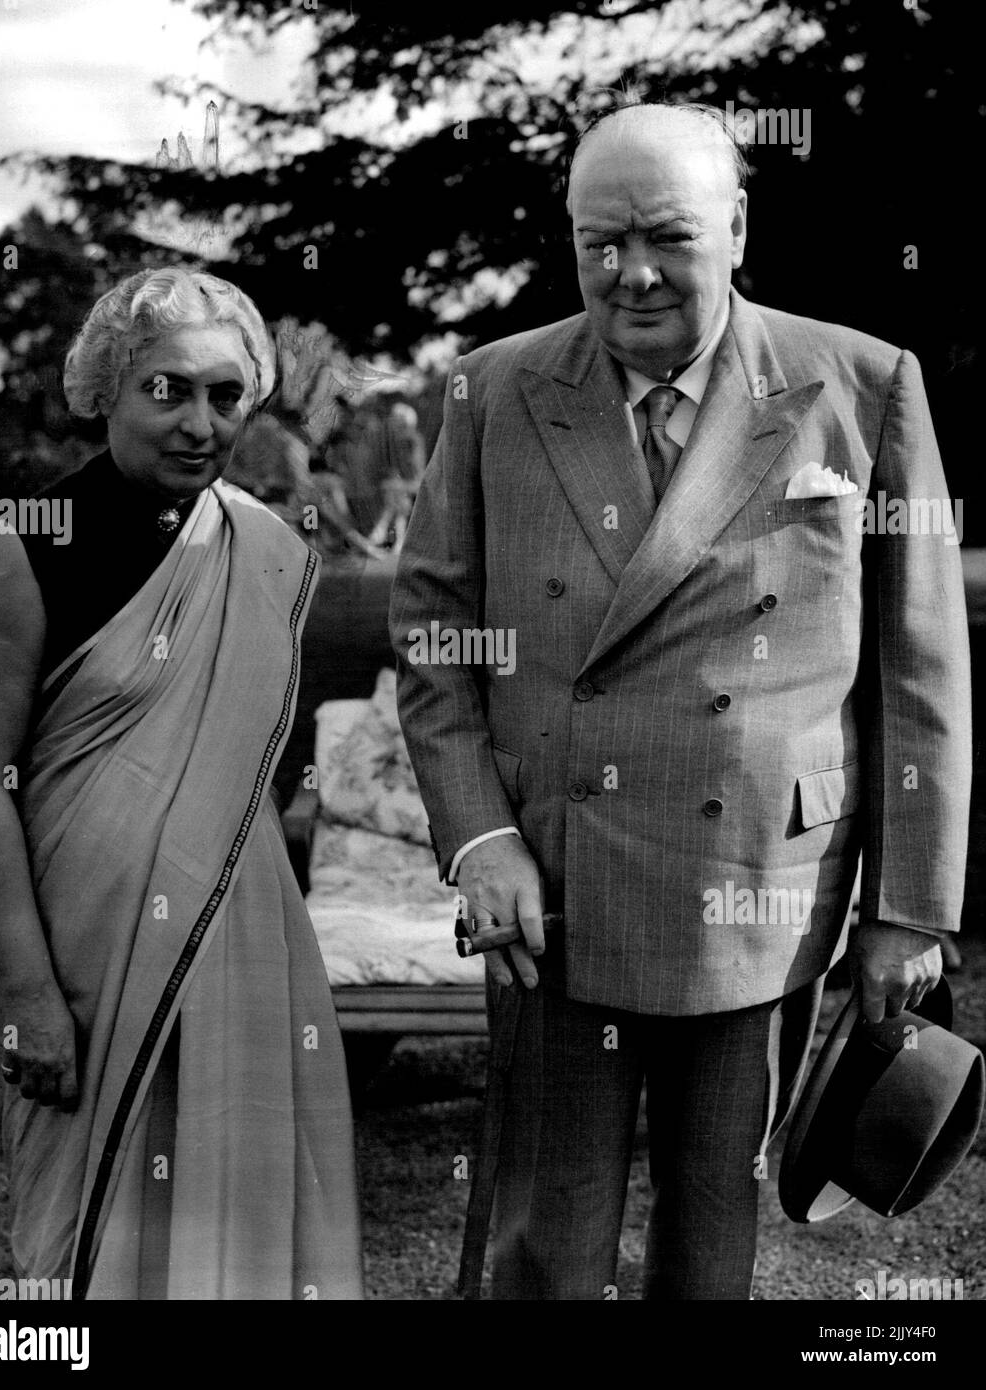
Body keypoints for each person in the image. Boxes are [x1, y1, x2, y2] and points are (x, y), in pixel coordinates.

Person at [389, 102, 971, 1299]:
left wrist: (909, 906)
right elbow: (433, 643)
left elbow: (920, 671)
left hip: (759, 888)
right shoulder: (491, 392)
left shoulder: (860, 385)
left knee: (713, 1235)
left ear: (738, 228)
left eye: (667, 237)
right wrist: (479, 840)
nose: (631, 273)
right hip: (553, 889)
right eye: (599, 242)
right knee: (546, 1242)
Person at [0, 268, 363, 1300]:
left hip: (238, 943)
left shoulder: (264, 548)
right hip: (76, 963)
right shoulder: (31, 544)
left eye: (227, 395)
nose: (200, 422)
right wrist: (30, 991)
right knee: (81, 1252)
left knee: (239, 1232)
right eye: (168, 390)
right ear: (108, 388)